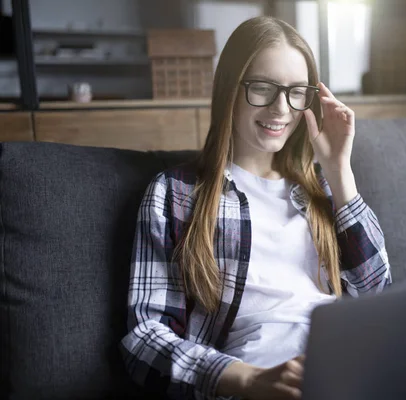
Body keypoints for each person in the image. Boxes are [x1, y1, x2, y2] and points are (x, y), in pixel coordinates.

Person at [120, 16, 391, 400]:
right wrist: (247, 380)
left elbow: (380, 298)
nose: (282, 108)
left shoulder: (324, 190)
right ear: (230, 89)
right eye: (263, 88)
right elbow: (145, 339)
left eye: (297, 91)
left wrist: (339, 173)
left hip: (351, 367)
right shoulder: (176, 195)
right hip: (262, 380)